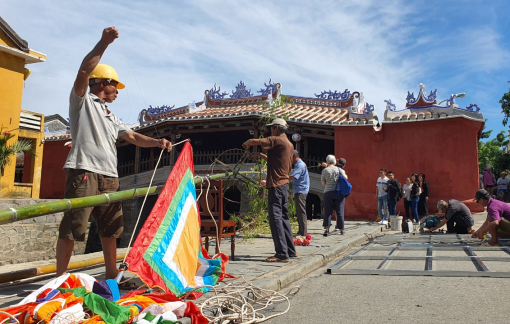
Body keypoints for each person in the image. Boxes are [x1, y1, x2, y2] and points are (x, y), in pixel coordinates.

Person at [57, 27, 172, 279]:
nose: (118, 91)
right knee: (72, 227)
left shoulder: (112, 115)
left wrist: (157, 142)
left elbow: (131, 136)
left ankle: (111, 275)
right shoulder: (82, 101)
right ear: (101, 83)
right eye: (114, 85)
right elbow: (84, 71)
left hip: (110, 176)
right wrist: (103, 43)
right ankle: (59, 279)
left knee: (111, 228)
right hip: (85, 171)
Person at [243, 118, 296, 262]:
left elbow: (261, 141)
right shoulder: (289, 144)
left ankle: (281, 254)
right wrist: (262, 156)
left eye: (272, 128)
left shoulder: (278, 140)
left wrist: (249, 142)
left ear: (277, 128)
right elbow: (279, 161)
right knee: (284, 218)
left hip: (276, 185)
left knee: (276, 219)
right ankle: (290, 250)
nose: (270, 131)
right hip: (284, 185)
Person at [321, 155, 347, 235]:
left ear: (327, 161)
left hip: (328, 192)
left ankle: (327, 229)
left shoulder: (325, 170)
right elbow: (345, 178)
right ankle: (341, 229)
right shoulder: (339, 169)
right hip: (339, 192)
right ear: (335, 161)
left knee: (328, 211)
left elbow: (323, 183)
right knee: (339, 211)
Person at [289, 150, 310, 236]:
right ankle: (301, 230)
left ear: (295, 156)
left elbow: (292, 177)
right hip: (299, 189)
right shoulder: (298, 165)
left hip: (301, 190)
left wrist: (280, 178)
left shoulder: (300, 165)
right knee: (299, 210)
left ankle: (303, 232)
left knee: (301, 211)